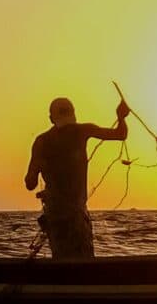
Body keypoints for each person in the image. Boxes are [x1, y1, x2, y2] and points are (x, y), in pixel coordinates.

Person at [24, 95, 128, 258]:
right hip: (76, 217)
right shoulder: (82, 131)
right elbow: (120, 134)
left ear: (52, 119)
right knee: (84, 261)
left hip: (56, 217)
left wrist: (40, 167)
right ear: (73, 115)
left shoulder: (41, 142)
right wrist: (121, 117)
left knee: (62, 261)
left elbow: (30, 183)